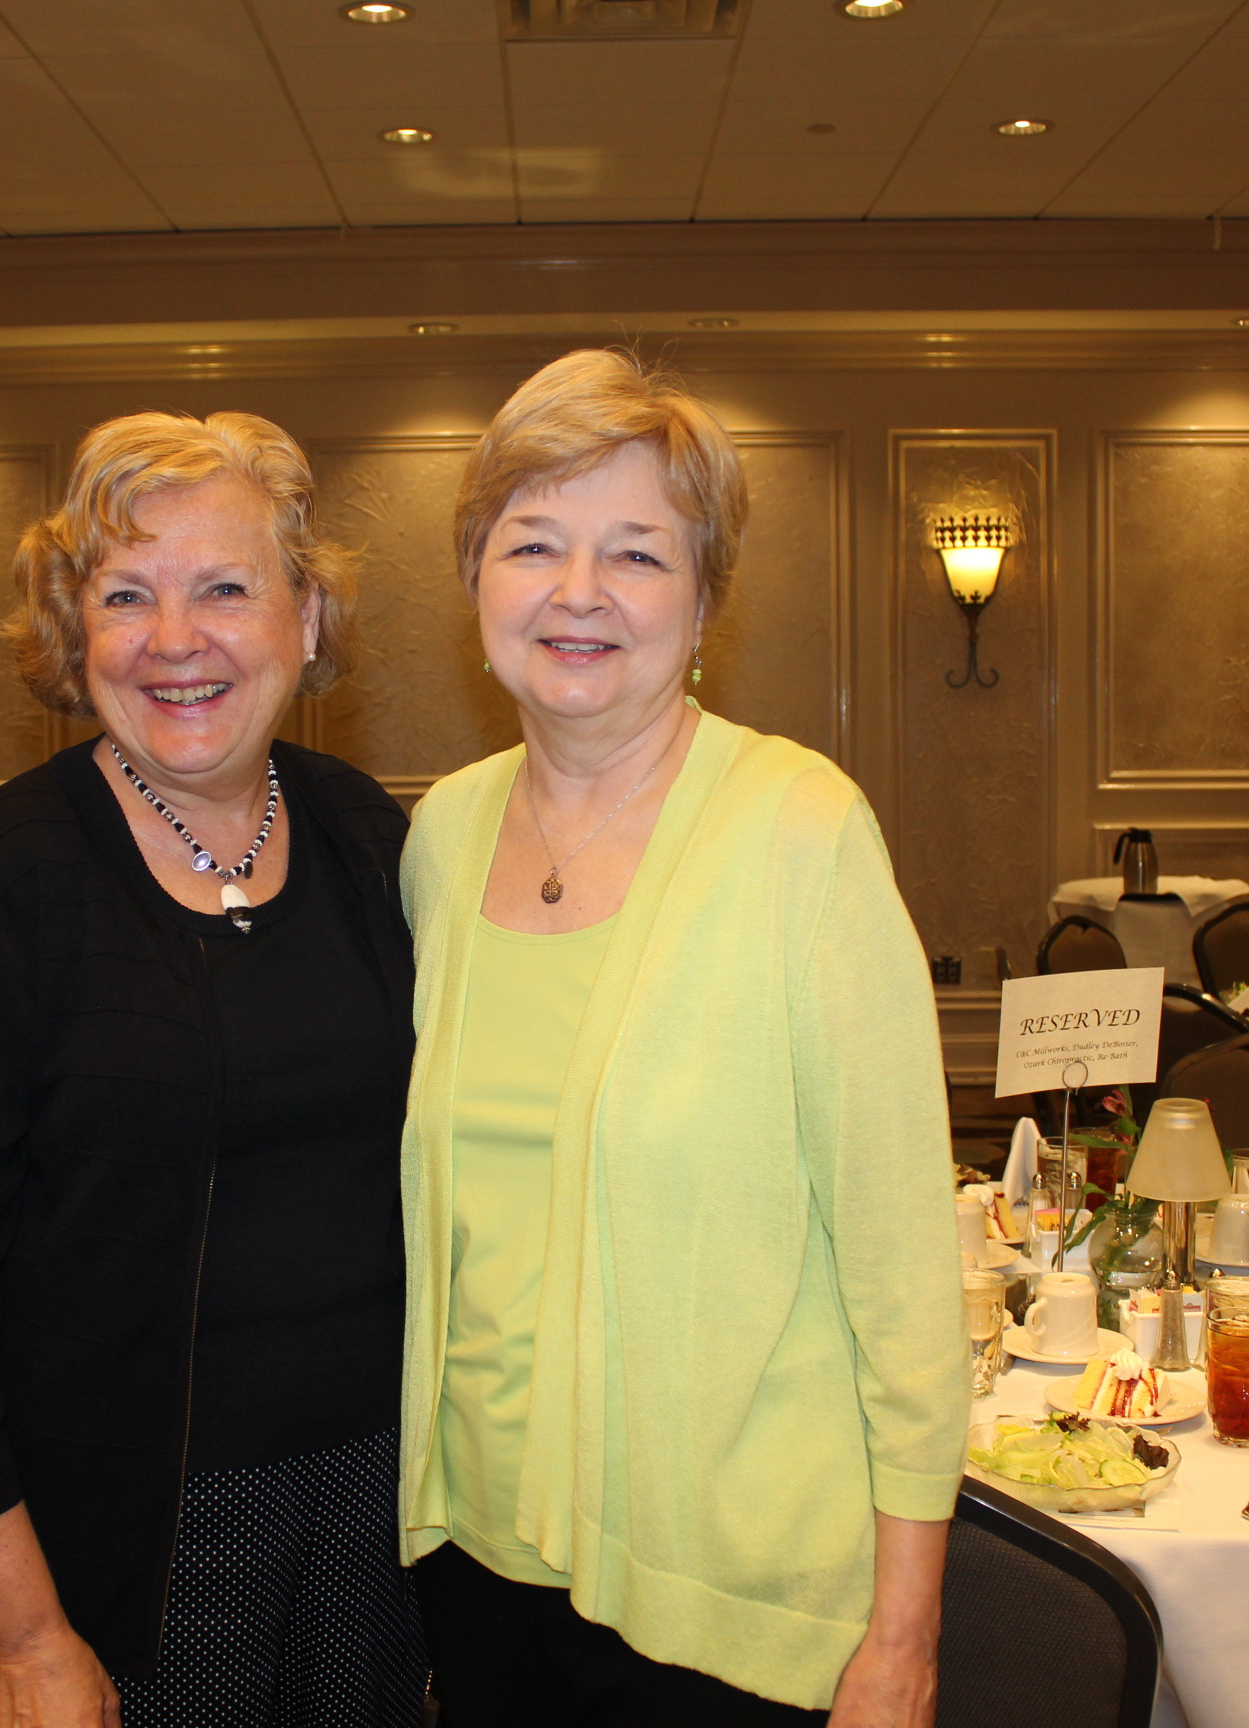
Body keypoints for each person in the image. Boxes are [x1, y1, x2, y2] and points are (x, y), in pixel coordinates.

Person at [398, 350, 964, 1726]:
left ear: (704, 601)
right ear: (477, 581)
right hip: (473, 1563)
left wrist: (903, 1636)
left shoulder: (800, 832)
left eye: (638, 553)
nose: (579, 591)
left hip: (722, 1599)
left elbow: (902, 1272)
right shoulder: (442, 836)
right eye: (534, 543)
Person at [0, 411, 425, 1728]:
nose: (176, 639)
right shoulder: (7, 878)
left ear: (308, 618)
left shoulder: (365, 836)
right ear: (75, 634)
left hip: (375, 1510)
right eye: (126, 596)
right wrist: (25, 1637)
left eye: (224, 588)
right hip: (120, 1542)